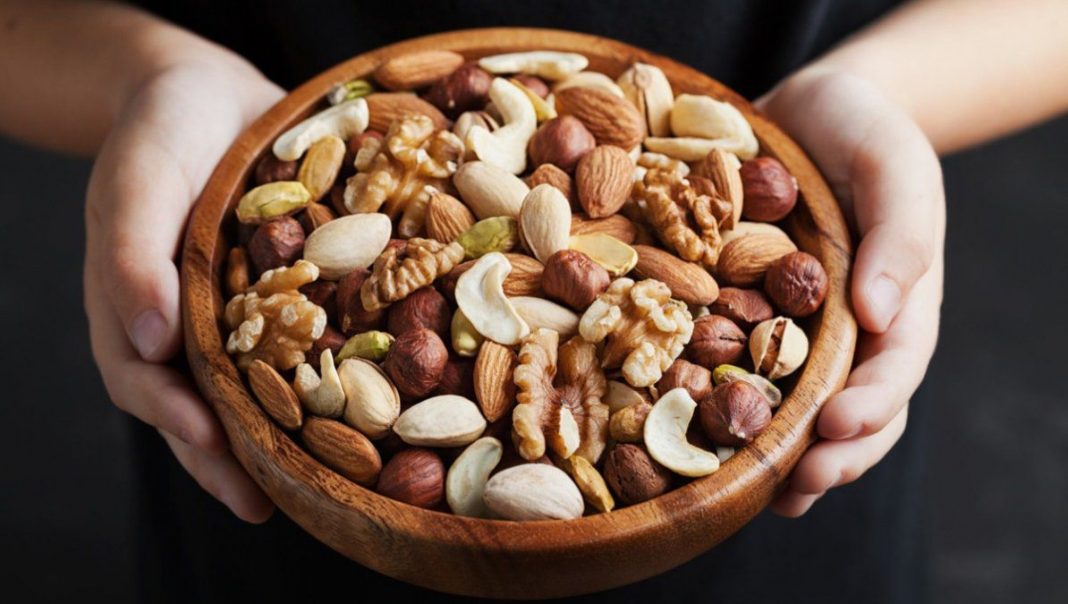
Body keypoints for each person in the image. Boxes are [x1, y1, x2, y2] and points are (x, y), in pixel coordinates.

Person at [2, 0, 1065, 601]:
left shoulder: (692, 275)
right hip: (288, 521)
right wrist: (143, 72)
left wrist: (888, 92)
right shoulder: (375, 288)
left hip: (780, 534)